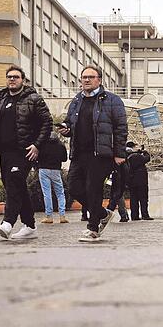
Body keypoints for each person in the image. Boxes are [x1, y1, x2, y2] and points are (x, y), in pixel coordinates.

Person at [59, 65, 128, 242]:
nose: (86, 80)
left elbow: (121, 128)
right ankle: (102, 213)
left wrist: (119, 153)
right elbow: (70, 122)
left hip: (101, 153)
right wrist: (66, 129)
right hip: (78, 152)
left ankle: (93, 228)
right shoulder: (76, 100)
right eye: (84, 77)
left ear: (99, 80)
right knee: (73, 187)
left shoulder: (112, 100)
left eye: (91, 77)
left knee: (93, 189)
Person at [0, 65, 52, 240]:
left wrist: (37, 145)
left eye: (16, 77)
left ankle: (8, 222)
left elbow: (47, 123)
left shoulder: (34, 99)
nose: (12, 79)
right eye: (9, 77)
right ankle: (30, 226)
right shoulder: (2, 99)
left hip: (24, 151)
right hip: (4, 151)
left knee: (15, 181)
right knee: (16, 187)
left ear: (23, 80)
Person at [37, 132, 68, 224]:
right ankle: (62, 216)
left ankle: (49, 216)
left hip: (43, 170)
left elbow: (37, 156)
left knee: (47, 193)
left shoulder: (43, 144)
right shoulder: (61, 145)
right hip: (56, 170)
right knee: (60, 193)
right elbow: (64, 159)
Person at [126, 142, 153, 221]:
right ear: (133, 147)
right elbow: (147, 158)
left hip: (131, 182)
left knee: (133, 199)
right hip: (141, 181)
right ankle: (145, 215)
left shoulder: (127, 156)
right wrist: (145, 152)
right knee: (143, 199)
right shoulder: (136, 156)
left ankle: (134, 216)